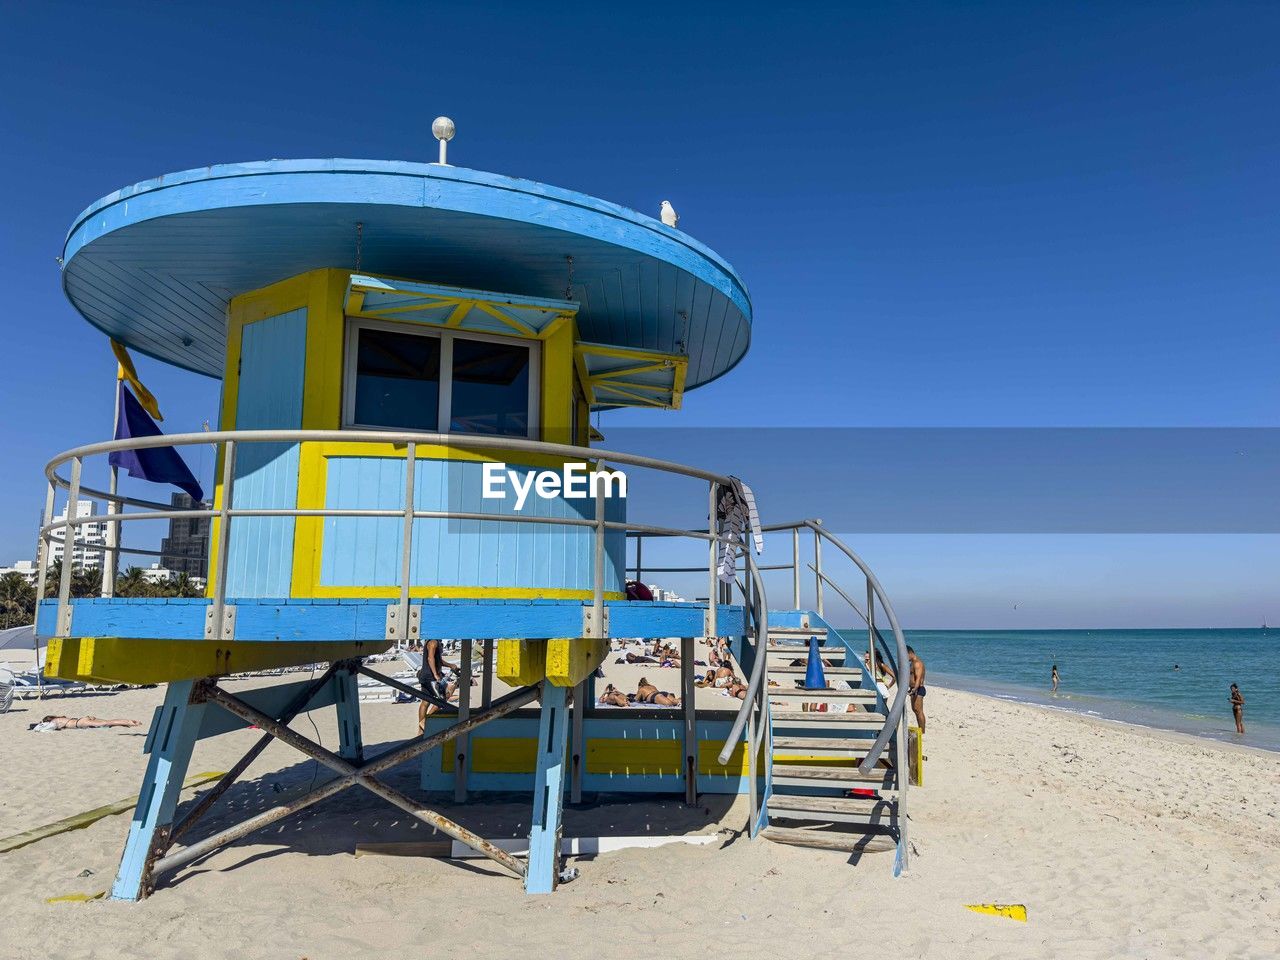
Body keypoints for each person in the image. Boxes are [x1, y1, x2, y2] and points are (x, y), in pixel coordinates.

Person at [418, 637, 458, 733]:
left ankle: (420, 730)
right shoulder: (433, 642)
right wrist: (435, 674)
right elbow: (430, 658)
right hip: (430, 676)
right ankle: (425, 721)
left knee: (425, 702)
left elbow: (438, 660)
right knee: (443, 699)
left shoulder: (433, 641)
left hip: (426, 675)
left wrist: (450, 665)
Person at [29, 715, 141, 731]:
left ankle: (130, 722)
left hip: (80, 723)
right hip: (82, 718)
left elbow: (49, 727)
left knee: (107, 723)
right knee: (107, 722)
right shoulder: (59, 718)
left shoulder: (55, 721)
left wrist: (39, 727)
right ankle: (127, 722)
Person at [907, 645, 926, 734]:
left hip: (918, 689)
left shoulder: (917, 663)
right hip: (913, 689)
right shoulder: (912, 663)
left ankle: (922, 732)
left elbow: (918, 678)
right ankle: (920, 729)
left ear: (910, 653)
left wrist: (914, 689)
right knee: (915, 710)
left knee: (919, 711)